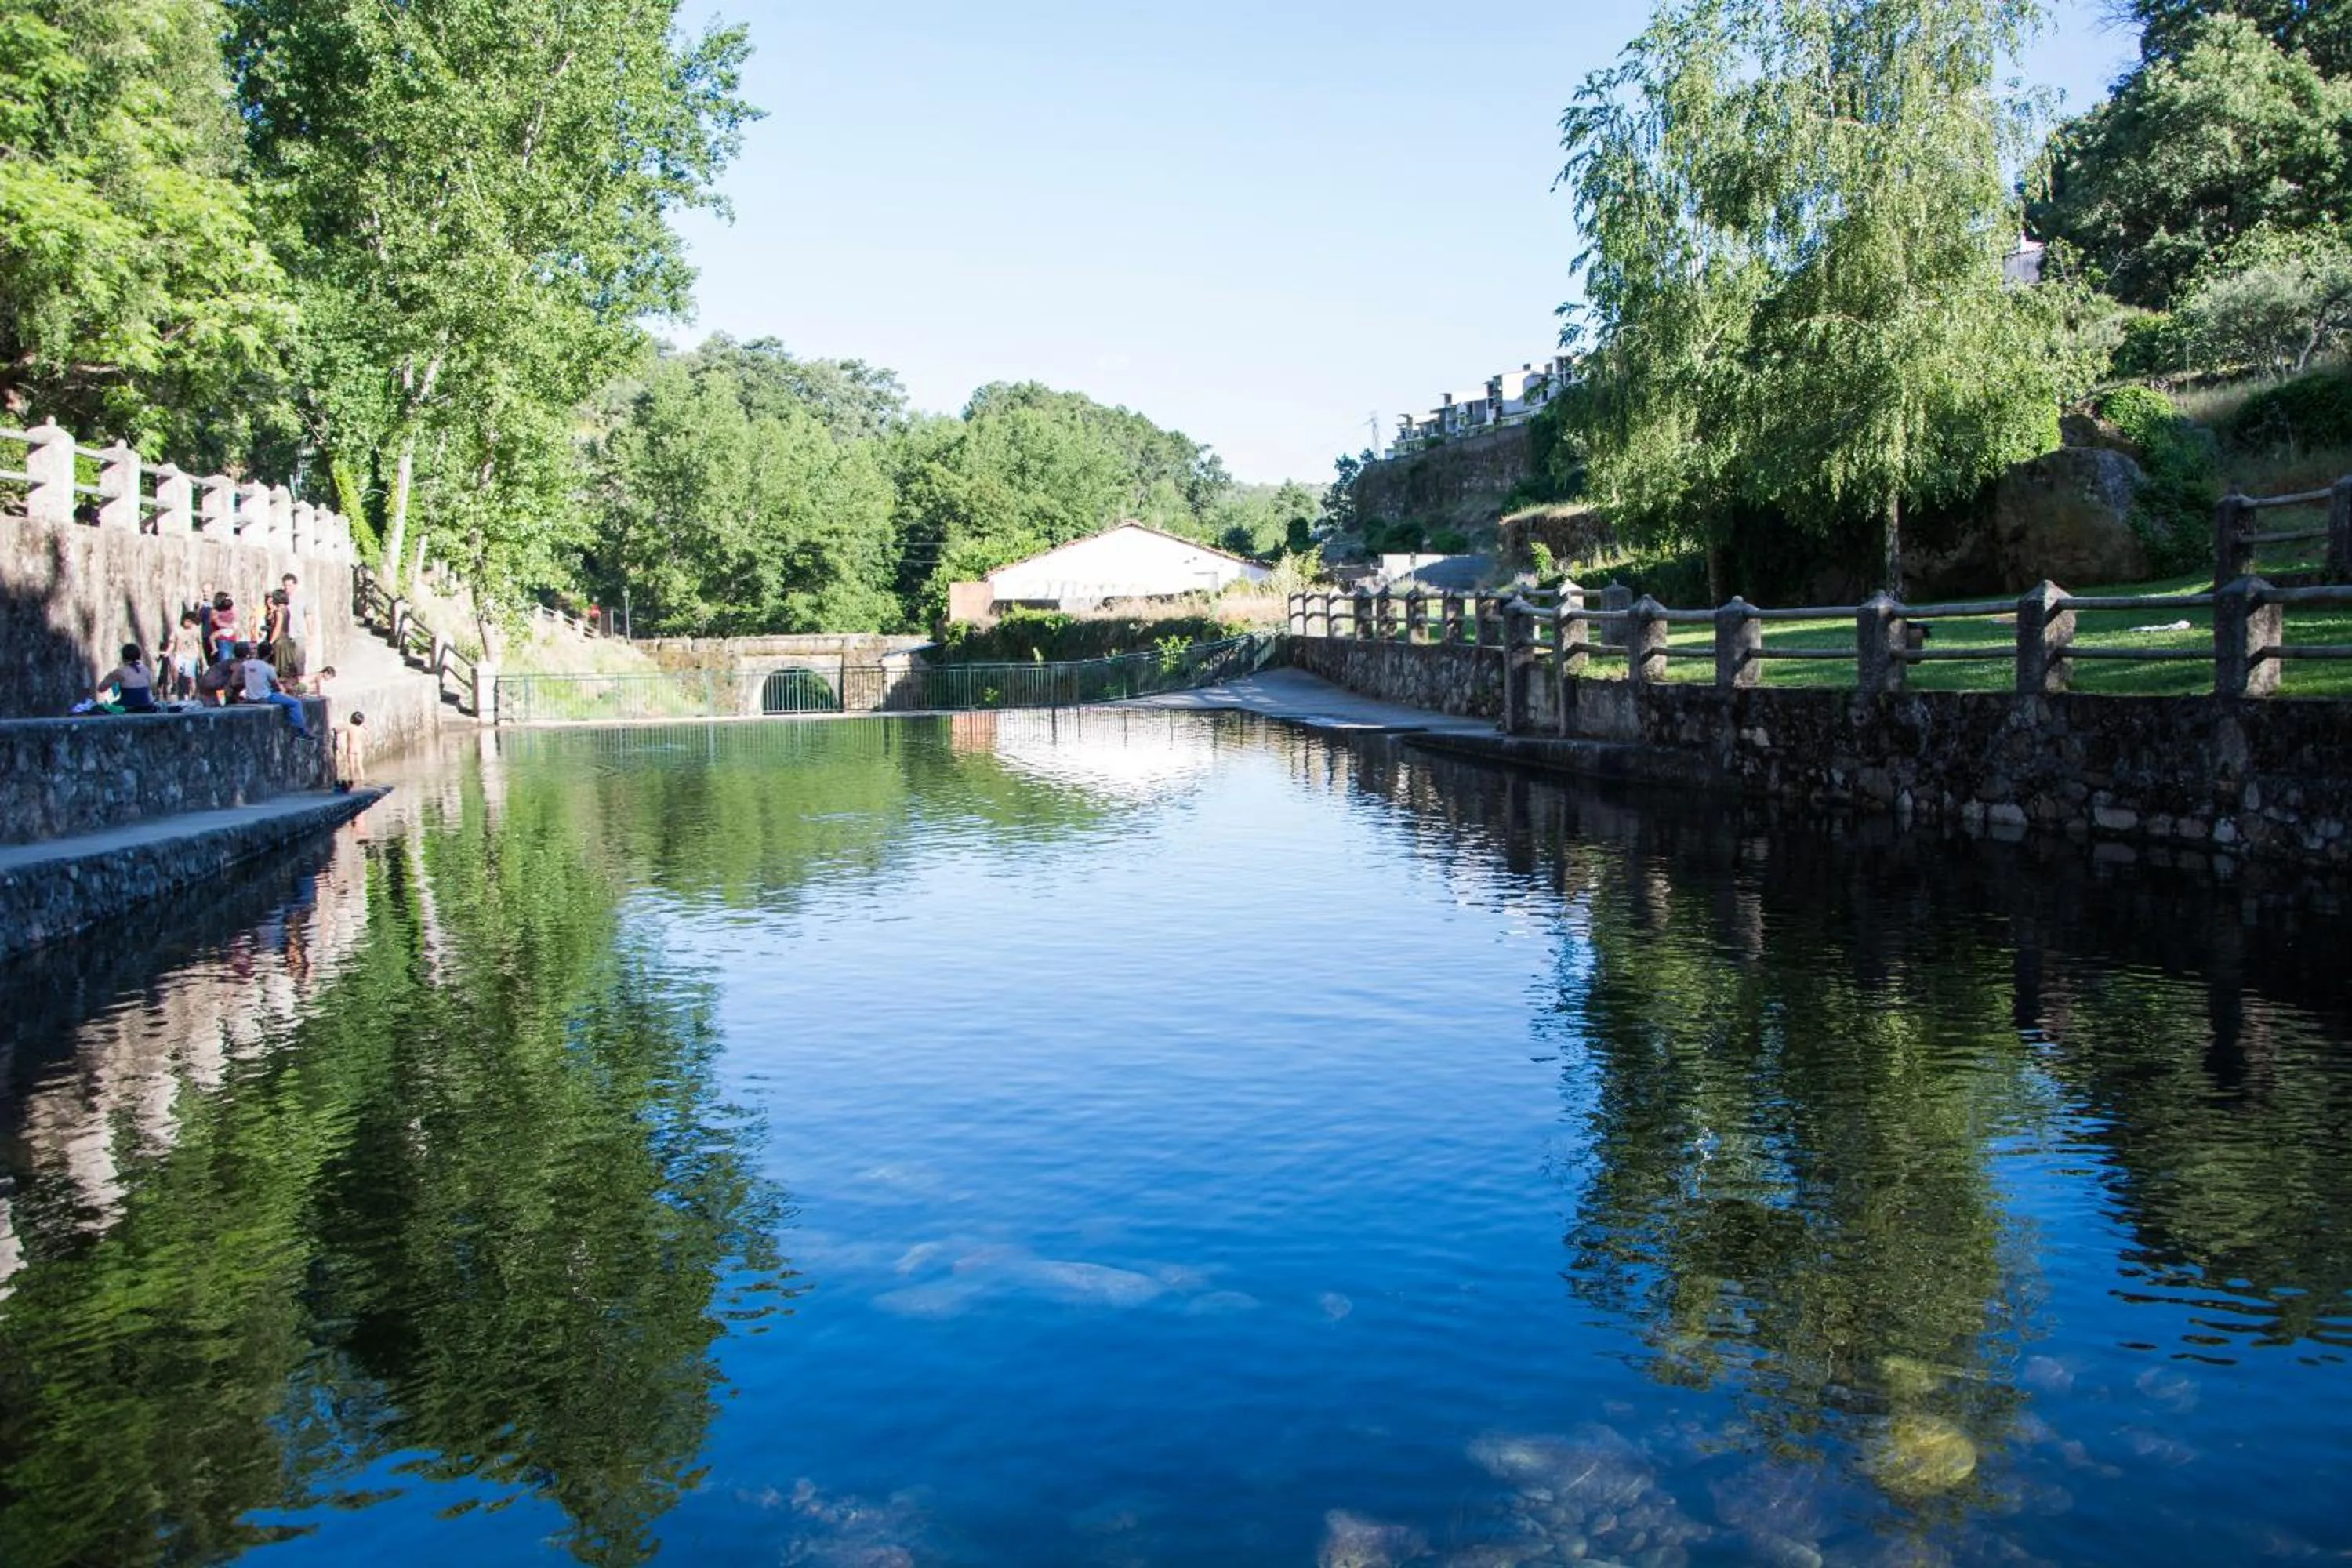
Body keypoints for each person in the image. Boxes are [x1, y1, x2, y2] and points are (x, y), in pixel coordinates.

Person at [238, 641, 311, 737]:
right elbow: (276, 687)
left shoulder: (246, 664)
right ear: (271, 653)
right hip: (265, 698)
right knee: (296, 703)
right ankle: (300, 732)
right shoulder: (269, 668)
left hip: (250, 698)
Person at [93, 644, 158, 713]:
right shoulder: (146, 670)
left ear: (123, 657)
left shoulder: (120, 672)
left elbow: (101, 688)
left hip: (128, 708)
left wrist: (110, 675)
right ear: (139, 656)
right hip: (147, 707)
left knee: (98, 708)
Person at [278, 572, 308, 682]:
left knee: (300, 660)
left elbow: (308, 615)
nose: (287, 588)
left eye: (289, 585)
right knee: (286, 662)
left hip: (299, 633)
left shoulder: (302, 598)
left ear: (295, 585)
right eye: (285, 585)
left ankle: (300, 684)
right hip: (286, 634)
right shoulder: (282, 599)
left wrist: (310, 633)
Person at [335, 710, 368, 788]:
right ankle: (363, 779)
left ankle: (352, 780)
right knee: (360, 765)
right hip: (359, 749)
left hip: (351, 749)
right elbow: (366, 731)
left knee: (351, 765)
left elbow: (338, 730)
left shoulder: (349, 727)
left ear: (352, 719)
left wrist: (334, 730)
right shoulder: (361, 728)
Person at [209, 592, 239, 663]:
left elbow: (236, 619)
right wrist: (231, 627)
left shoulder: (230, 611)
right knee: (224, 662)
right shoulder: (215, 611)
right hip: (222, 638)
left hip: (232, 638)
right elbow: (218, 623)